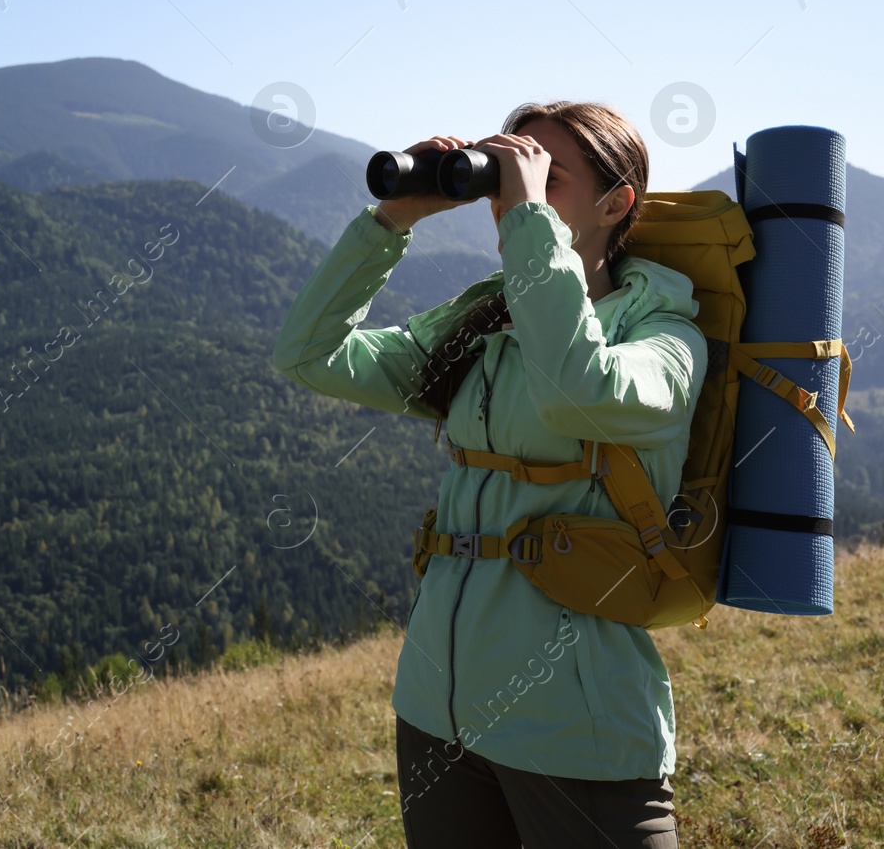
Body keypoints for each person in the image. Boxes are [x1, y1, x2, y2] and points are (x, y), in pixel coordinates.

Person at [271, 101, 708, 848]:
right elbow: (307, 354)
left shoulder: (666, 337)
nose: (511, 193)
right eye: (507, 170)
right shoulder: (487, 326)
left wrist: (530, 223)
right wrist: (391, 221)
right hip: (436, 713)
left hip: (575, 728)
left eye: (544, 175)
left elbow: (577, 385)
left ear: (616, 202)